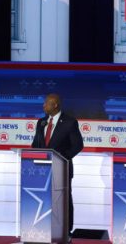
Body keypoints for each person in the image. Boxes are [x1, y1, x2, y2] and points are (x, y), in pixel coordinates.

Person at [31, 93, 83, 233]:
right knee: (43, 199)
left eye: (46, 103)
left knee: (64, 200)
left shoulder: (70, 122)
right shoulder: (41, 122)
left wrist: (61, 159)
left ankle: (66, 230)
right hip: (42, 170)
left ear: (55, 105)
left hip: (62, 169)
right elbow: (35, 145)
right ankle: (43, 227)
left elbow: (78, 145)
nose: (43, 105)